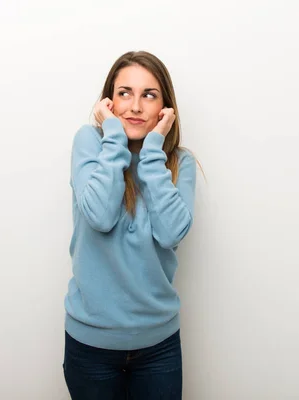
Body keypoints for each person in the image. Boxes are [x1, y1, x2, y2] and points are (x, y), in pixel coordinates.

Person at [62, 50, 198, 400]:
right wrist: (114, 136)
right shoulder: (90, 144)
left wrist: (153, 151)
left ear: (165, 109)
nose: (135, 106)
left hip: (159, 346)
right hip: (91, 345)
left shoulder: (179, 163)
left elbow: (169, 233)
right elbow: (100, 215)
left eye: (148, 95)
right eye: (125, 93)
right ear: (108, 101)